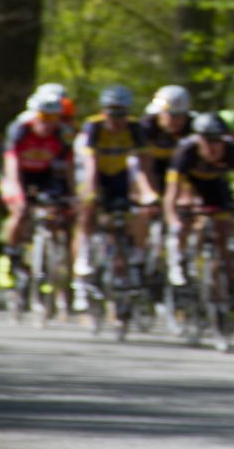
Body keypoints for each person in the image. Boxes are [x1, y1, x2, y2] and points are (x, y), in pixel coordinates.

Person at [71, 85, 156, 311]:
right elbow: (90, 166)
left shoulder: (135, 128)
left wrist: (148, 192)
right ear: (103, 111)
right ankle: (84, 256)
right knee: (88, 208)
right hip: (95, 172)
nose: (117, 120)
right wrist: (91, 192)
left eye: (122, 114)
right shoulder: (94, 126)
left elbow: (143, 164)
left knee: (134, 215)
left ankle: (128, 264)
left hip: (119, 174)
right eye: (112, 113)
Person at [163, 112, 234, 290]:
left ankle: (226, 281)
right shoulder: (185, 152)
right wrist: (174, 222)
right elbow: (171, 195)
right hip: (190, 185)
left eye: (217, 140)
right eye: (207, 141)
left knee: (223, 232)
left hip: (217, 186)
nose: (213, 147)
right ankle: (179, 259)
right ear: (198, 139)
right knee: (185, 212)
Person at [0, 93, 74, 282]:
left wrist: (73, 194)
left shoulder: (63, 133)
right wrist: (18, 193)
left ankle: (50, 261)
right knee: (20, 211)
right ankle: (11, 254)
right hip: (19, 174)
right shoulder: (20, 130)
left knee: (57, 212)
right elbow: (11, 163)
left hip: (45, 175)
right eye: (43, 118)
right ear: (34, 115)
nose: (48, 124)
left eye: (53, 118)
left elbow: (69, 167)